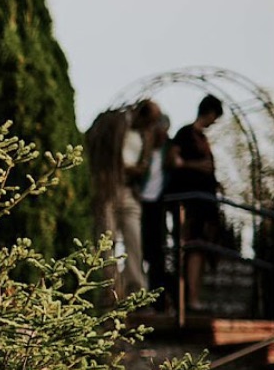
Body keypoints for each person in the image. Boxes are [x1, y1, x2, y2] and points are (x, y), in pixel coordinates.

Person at [165, 95, 227, 311]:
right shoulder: (185, 133)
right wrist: (196, 166)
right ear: (209, 113)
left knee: (201, 247)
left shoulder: (202, 138)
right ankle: (190, 298)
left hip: (205, 201)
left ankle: (194, 296)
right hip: (191, 202)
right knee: (193, 246)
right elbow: (173, 161)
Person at [85, 106, 146, 299]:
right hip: (109, 188)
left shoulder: (141, 134)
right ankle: (110, 289)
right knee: (106, 239)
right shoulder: (114, 123)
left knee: (134, 240)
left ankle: (135, 291)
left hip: (128, 190)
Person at [135, 103, 172, 307]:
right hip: (140, 201)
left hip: (157, 204)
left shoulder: (168, 150)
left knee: (157, 251)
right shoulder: (143, 147)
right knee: (139, 248)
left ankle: (158, 297)